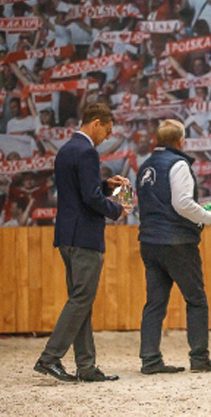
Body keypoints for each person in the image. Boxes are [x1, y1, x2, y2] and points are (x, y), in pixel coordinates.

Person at [34, 103, 130, 383]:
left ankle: (86, 366)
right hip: (85, 236)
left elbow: (81, 191)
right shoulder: (88, 152)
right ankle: (49, 358)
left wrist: (107, 185)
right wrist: (117, 210)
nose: (108, 137)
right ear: (96, 123)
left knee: (81, 300)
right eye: (107, 131)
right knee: (81, 300)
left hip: (67, 235)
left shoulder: (67, 149)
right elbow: (90, 198)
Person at [136, 119, 211, 374]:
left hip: (149, 241)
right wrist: (209, 217)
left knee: (154, 303)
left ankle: (150, 360)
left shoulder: (145, 166)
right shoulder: (178, 164)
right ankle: (199, 358)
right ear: (179, 141)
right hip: (177, 241)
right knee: (196, 300)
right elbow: (182, 203)